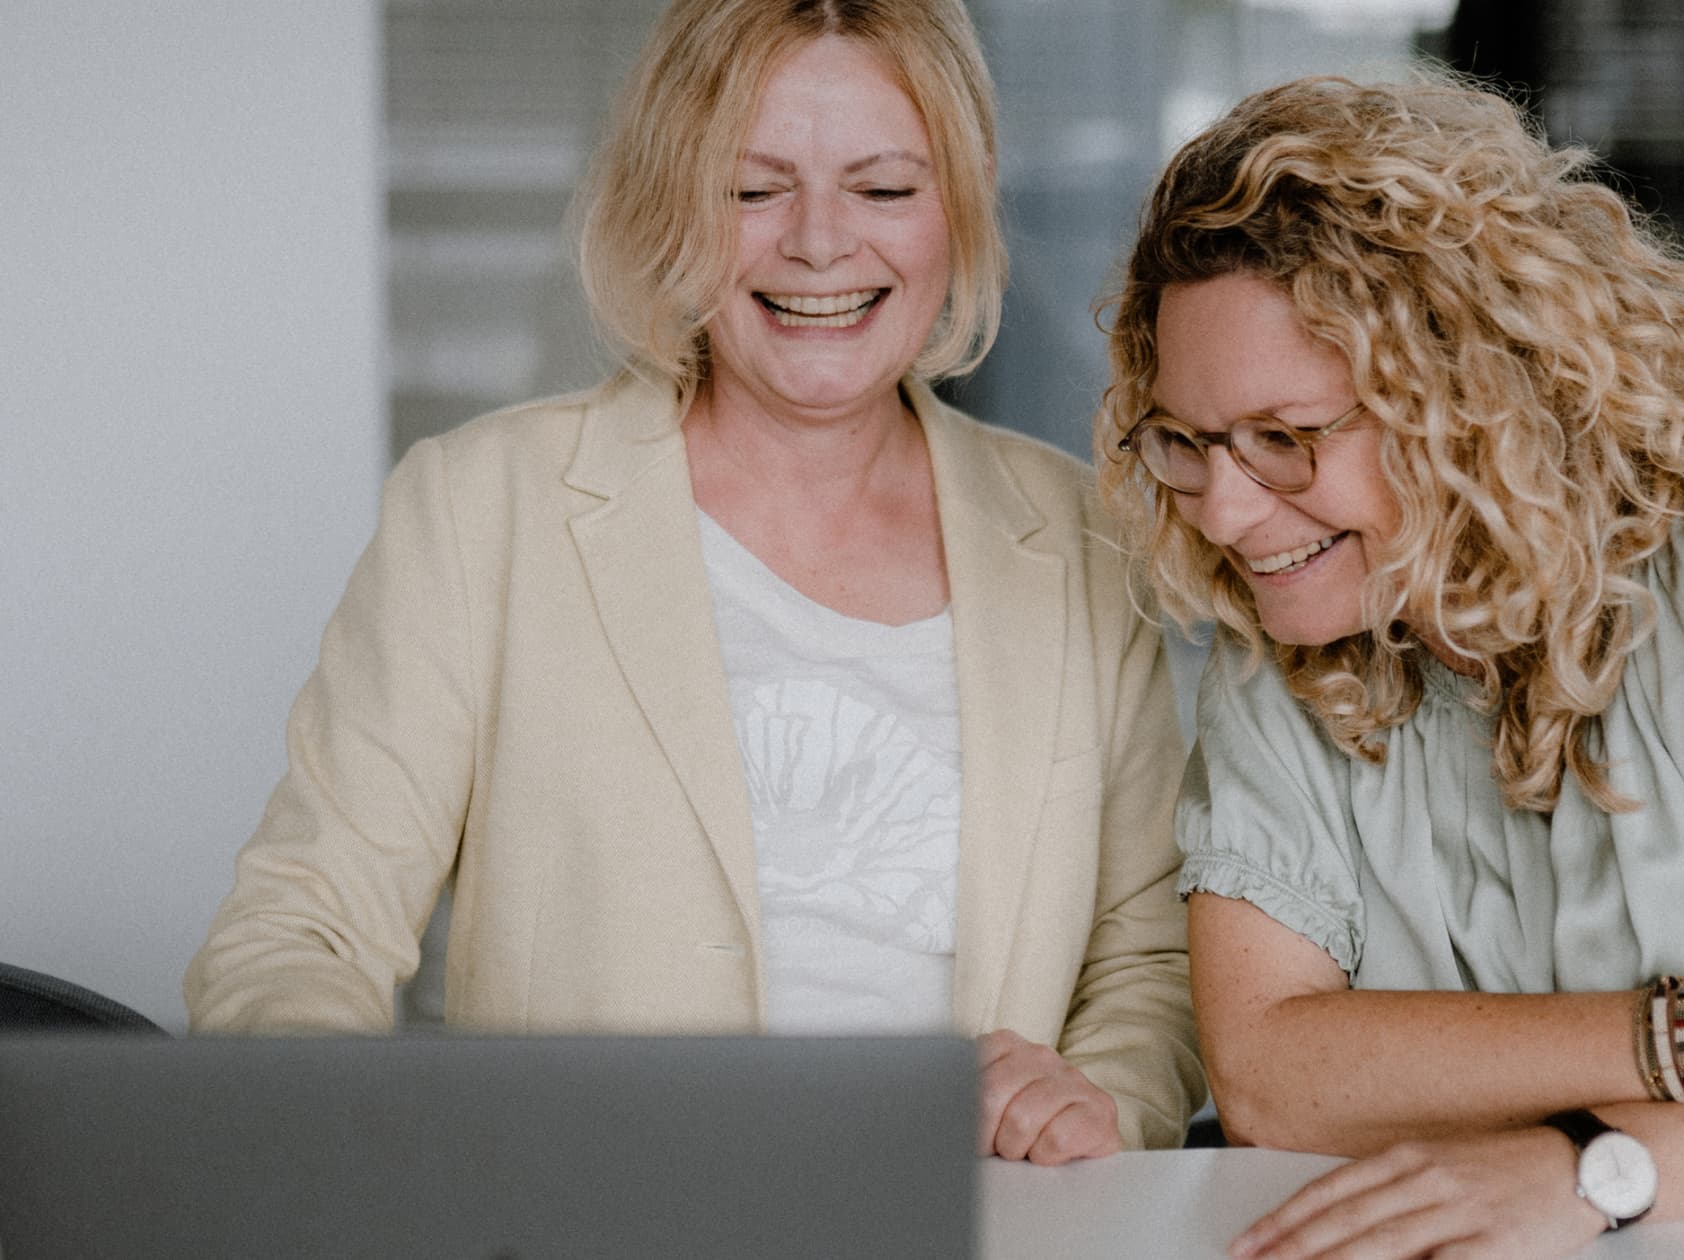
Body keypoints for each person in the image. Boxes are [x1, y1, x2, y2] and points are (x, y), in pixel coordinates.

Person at [187, 0, 1204, 1164]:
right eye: (752, 189)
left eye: (883, 190)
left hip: (982, 1227)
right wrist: (370, 1158)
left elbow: (1147, 958)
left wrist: (1095, 1110)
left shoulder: (1084, 535)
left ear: (960, 213)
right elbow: (301, 932)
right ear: (673, 203)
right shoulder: (482, 508)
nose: (821, 244)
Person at [1097, 74, 1684, 1255]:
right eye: (1188, 440)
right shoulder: (1282, 634)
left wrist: (1589, 1168)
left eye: (1285, 438)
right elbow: (1271, 1069)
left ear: (1467, 397)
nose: (1227, 513)